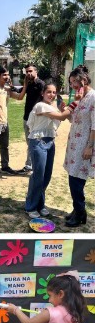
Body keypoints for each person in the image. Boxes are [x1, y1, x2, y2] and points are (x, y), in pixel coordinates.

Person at [24, 81, 69, 218]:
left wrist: (62, 110)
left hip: (50, 142)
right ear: (42, 93)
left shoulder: (51, 108)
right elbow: (62, 117)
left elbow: (58, 120)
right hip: (38, 142)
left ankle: (40, 204)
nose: (52, 94)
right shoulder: (40, 106)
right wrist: (73, 105)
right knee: (38, 176)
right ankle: (31, 206)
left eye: (54, 92)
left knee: (46, 176)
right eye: (48, 91)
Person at [62, 65, 95, 227]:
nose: (73, 85)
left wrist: (90, 146)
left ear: (84, 79)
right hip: (74, 143)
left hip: (85, 145)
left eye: (75, 81)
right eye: (71, 82)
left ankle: (80, 213)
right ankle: (77, 210)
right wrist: (66, 110)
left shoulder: (94, 97)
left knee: (77, 180)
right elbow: (73, 119)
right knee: (72, 178)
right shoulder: (80, 96)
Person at [10, 64, 45, 174]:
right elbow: (21, 92)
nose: (28, 73)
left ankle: (34, 166)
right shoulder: (29, 84)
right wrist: (12, 87)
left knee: (35, 143)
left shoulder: (41, 84)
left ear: (36, 72)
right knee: (30, 143)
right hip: (27, 118)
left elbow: (47, 99)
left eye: (30, 71)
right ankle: (30, 166)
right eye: (27, 72)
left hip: (37, 119)